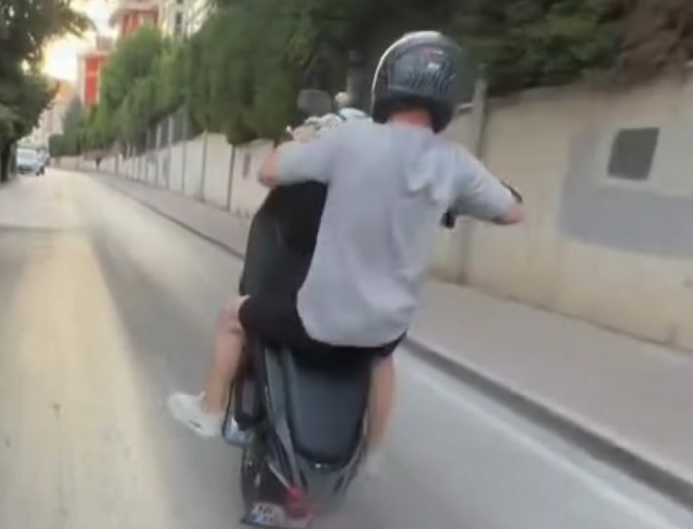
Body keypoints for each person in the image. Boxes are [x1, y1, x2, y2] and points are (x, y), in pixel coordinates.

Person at [167, 32, 524, 464]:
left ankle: (209, 411)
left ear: (388, 82)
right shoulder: (455, 162)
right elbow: (511, 212)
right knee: (383, 360)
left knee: (232, 315)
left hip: (317, 323)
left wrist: (301, 140)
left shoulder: (351, 140)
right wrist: (461, 198)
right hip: (381, 330)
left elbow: (269, 172)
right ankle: (375, 453)